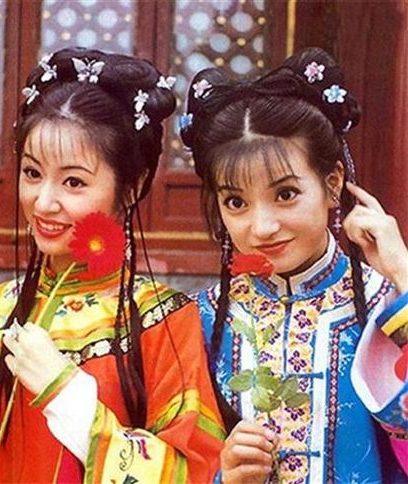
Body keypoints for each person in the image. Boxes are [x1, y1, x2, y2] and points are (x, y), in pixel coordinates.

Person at [0, 48, 225, 483]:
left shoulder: (162, 320)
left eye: (74, 182)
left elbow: (194, 470)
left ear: (131, 187)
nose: (43, 202)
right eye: (32, 173)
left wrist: (65, 392)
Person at [181, 46, 408, 482]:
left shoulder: (385, 302)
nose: (262, 227)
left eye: (285, 194)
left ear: (333, 183)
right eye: (236, 202)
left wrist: (402, 272)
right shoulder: (199, 322)